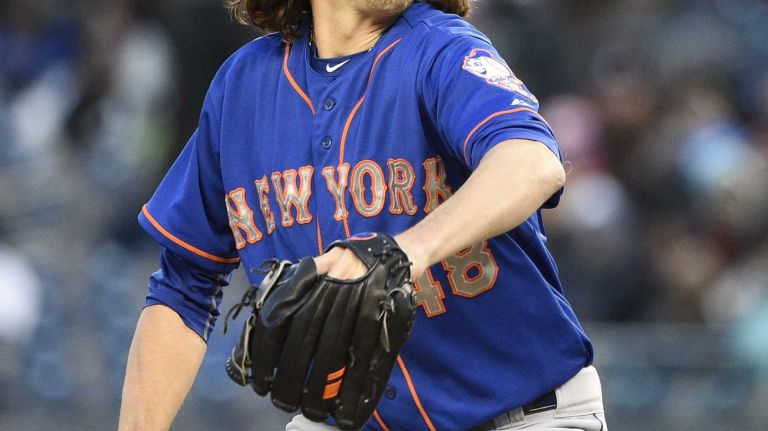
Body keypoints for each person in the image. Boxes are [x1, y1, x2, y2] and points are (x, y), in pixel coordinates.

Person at [118, 1, 607, 430]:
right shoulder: (242, 90)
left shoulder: (442, 50)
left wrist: (402, 253)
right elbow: (183, 286)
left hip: (522, 414)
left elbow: (533, 162)